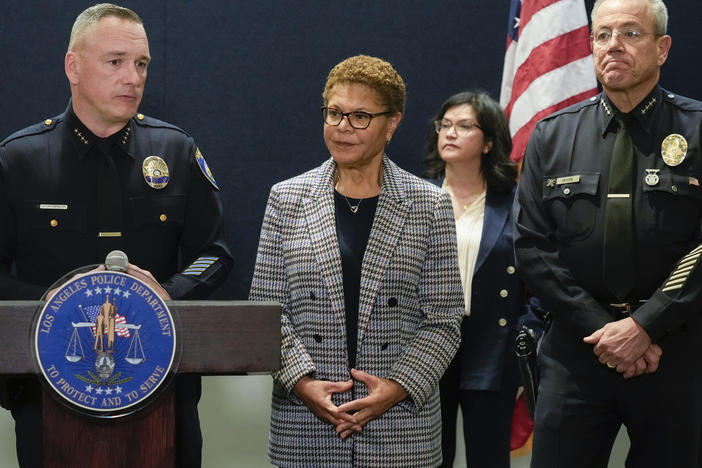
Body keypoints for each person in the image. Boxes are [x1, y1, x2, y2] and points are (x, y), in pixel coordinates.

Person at [0, 4, 233, 467]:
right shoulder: (19, 160)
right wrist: (51, 301)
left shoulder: (175, 150)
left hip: (162, 390)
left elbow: (216, 253)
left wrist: (165, 294)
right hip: (52, 392)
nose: (133, 77)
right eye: (116, 62)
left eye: (141, 63)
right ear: (74, 66)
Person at [249, 54, 464, 467]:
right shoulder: (286, 199)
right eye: (334, 113)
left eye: (360, 116)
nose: (343, 127)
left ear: (392, 123)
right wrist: (304, 383)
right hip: (305, 427)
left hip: (401, 431)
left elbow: (444, 318)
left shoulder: (430, 204)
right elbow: (266, 312)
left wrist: (398, 386)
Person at [514, 0, 702, 466]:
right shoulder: (551, 136)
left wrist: (644, 326)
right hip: (578, 352)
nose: (613, 45)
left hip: (673, 350)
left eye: (631, 34)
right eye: (602, 34)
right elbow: (533, 247)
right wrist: (606, 331)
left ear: (663, 48)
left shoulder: (698, 129)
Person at [423, 91, 544, 468]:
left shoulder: (516, 201)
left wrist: (526, 333)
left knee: (488, 459)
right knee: (426, 458)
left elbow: (541, 278)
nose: (450, 133)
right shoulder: (416, 197)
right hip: (424, 344)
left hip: (493, 344)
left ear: (488, 141)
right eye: (444, 125)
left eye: (463, 126)